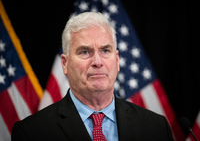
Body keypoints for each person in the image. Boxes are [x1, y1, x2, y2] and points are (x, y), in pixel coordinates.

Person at [11, 12, 174, 141]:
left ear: (117, 61)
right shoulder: (31, 134)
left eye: (105, 51)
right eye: (84, 52)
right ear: (64, 63)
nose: (97, 62)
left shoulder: (156, 129)